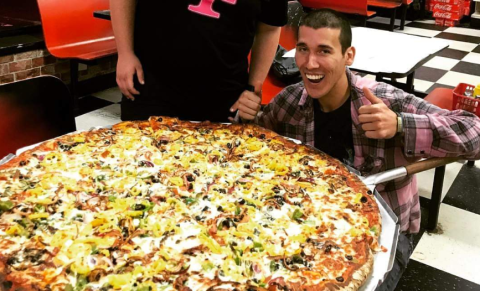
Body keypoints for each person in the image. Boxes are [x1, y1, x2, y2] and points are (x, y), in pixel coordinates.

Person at [236, 9, 480, 290]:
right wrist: (248, 115)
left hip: (385, 229)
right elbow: (255, 141)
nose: (310, 63)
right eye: (303, 49)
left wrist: (400, 125)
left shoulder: (382, 101)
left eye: (324, 51)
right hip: (313, 220)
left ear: (348, 56)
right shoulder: (291, 100)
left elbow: (475, 133)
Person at [110, 0, 287, 122]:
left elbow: (269, 28)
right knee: (139, 168)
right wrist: (125, 53)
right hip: (151, 84)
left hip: (223, 96)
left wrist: (252, 89)